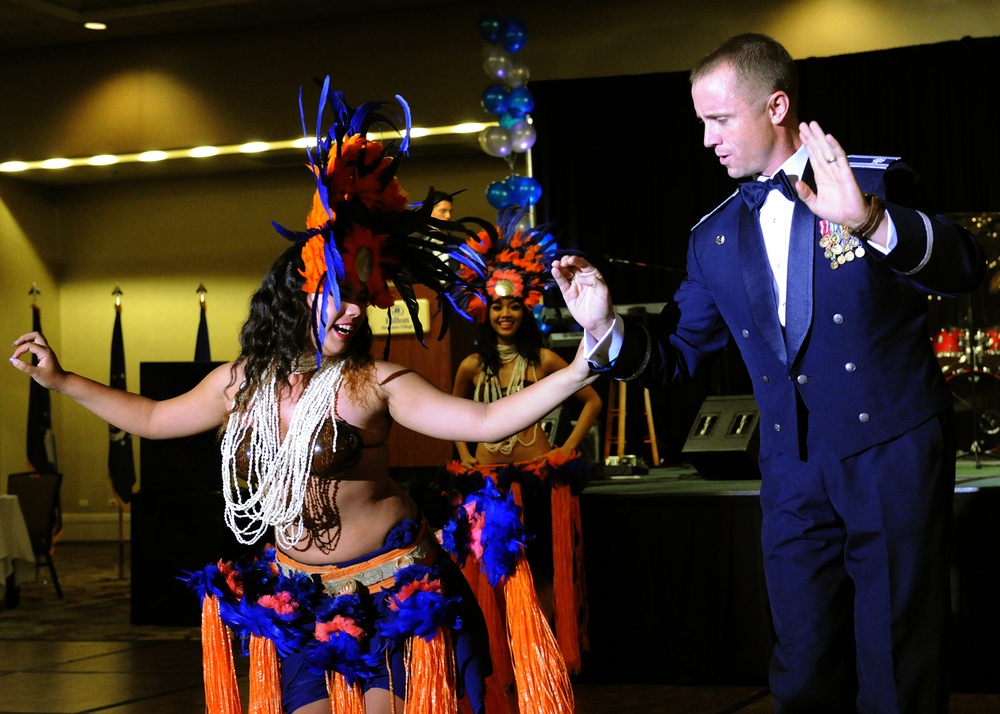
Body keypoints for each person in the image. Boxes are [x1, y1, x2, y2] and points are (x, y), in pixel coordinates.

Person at [9, 80, 594, 714]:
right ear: (300, 294)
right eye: (336, 297)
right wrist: (62, 381)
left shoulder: (374, 383)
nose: (350, 312)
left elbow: (485, 417)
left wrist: (586, 362)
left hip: (393, 592)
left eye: (359, 299)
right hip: (301, 600)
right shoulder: (245, 381)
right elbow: (152, 418)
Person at [550, 33, 985, 714]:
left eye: (719, 120)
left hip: (889, 453)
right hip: (789, 468)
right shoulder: (714, 236)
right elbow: (678, 353)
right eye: (700, 122)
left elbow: (964, 267)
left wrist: (870, 221)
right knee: (804, 662)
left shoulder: (868, 183)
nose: (705, 139)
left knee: (897, 660)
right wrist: (604, 328)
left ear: (775, 105)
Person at [446, 205, 602, 676]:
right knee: (493, 570)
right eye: (497, 305)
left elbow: (592, 401)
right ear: (485, 311)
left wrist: (564, 449)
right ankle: (504, 661)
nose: (506, 312)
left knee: (544, 571)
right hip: (488, 483)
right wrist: (468, 456)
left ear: (526, 307)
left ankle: (544, 657)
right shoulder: (471, 367)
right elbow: (455, 418)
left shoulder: (547, 360)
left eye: (514, 304)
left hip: (537, 480)